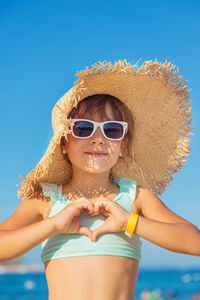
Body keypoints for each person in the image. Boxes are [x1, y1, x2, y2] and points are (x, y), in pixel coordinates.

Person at [0, 59, 199, 300]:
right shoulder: (45, 199)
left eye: (112, 130)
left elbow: (194, 242)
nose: (98, 139)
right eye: (83, 128)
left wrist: (130, 222)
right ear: (63, 142)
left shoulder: (135, 196)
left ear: (123, 145)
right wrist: (52, 225)